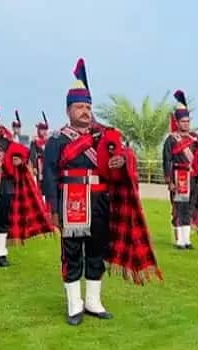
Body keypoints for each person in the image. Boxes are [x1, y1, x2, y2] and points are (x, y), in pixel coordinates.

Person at [43, 58, 160, 326]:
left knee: (96, 250)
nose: (85, 111)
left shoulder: (104, 138)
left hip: (100, 201)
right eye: (79, 107)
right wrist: (52, 208)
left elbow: (120, 160)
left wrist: (122, 162)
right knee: (72, 252)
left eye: (87, 107)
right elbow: (48, 174)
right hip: (71, 200)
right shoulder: (57, 140)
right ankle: (75, 304)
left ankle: (93, 302)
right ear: (68, 110)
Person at [0, 100, 54, 268]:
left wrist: (18, 160)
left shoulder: (5, 135)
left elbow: (18, 153)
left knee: (3, 218)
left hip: (6, 182)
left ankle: (1, 253)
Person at [161, 90, 198, 249]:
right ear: (177, 122)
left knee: (190, 208)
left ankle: (187, 240)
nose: (186, 124)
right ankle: (179, 240)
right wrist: (169, 181)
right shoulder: (171, 140)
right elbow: (167, 160)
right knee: (179, 208)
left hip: (194, 177)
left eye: (187, 121)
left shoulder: (195, 139)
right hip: (179, 177)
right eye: (183, 121)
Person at [29, 120, 49, 199]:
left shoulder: (49, 141)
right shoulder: (35, 141)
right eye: (42, 130)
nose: (43, 132)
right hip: (39, 163)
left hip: (47, 164)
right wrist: (33, 166)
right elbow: (32, 154)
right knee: (39, 182)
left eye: (45, 130)